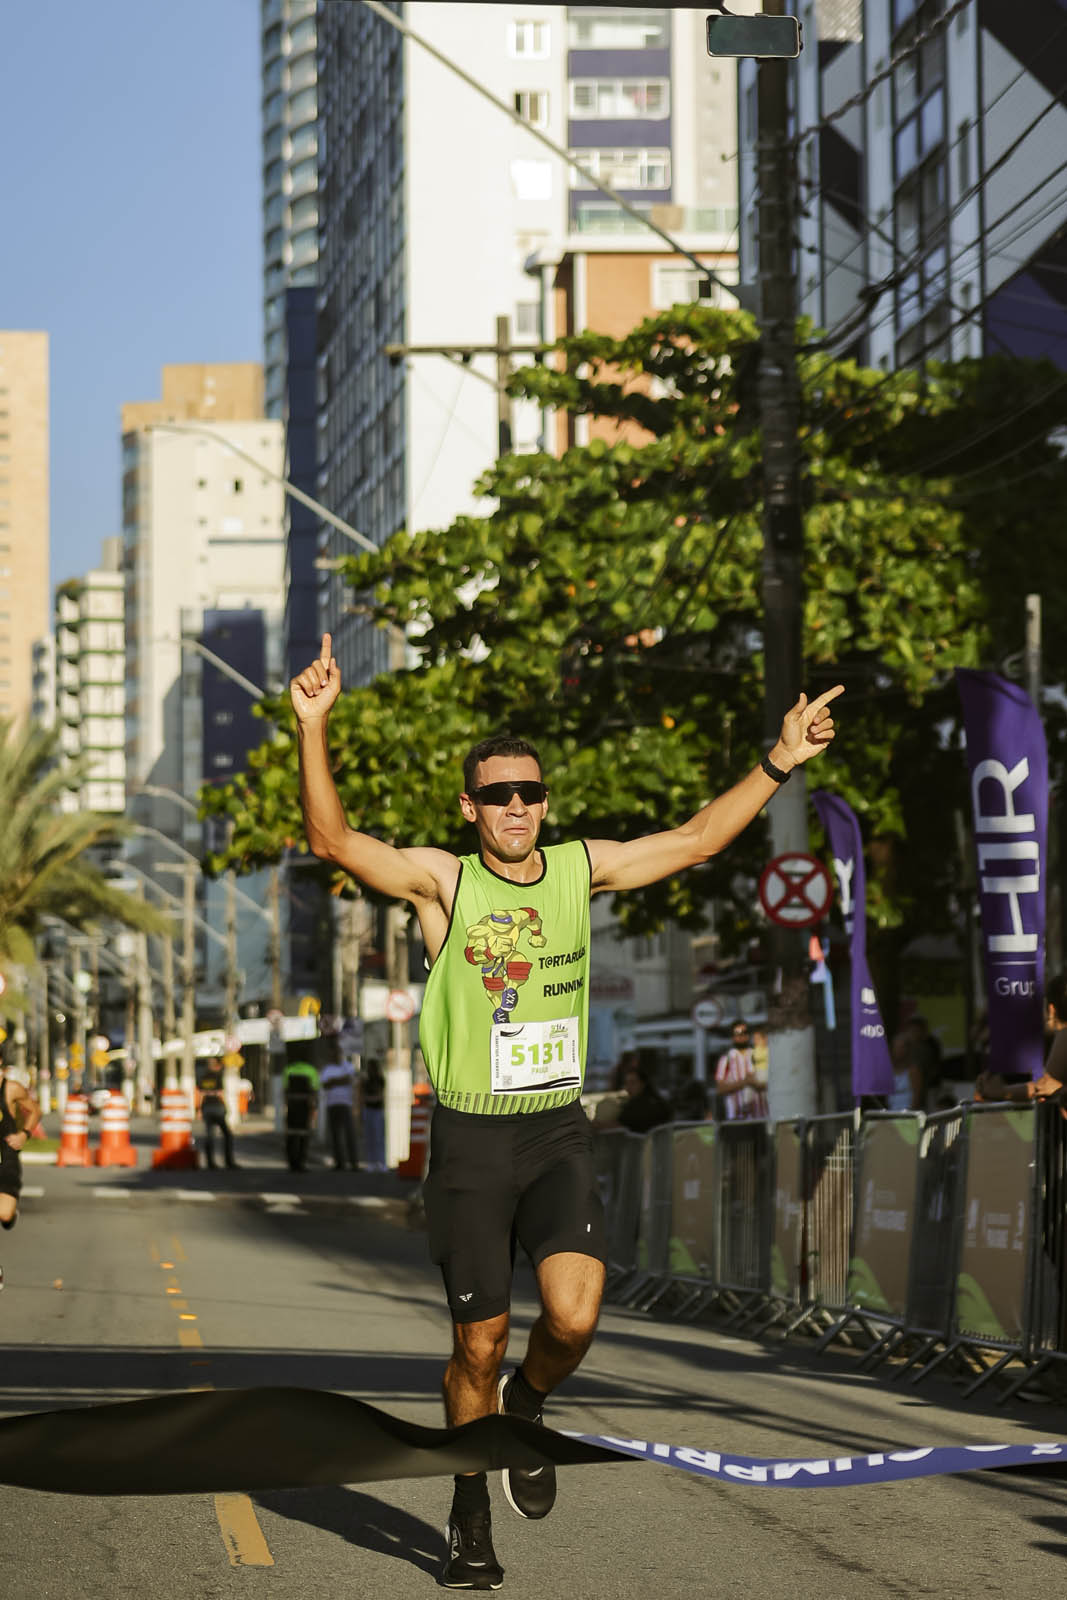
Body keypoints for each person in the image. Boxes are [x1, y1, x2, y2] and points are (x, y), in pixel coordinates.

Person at [292, 629, 842, 1589]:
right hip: (470, 1137)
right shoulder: (444, 883)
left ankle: (527, 1405)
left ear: (545, 803)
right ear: (469, 808)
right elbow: (332, 843)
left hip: (553, 1129)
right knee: (476, 1343)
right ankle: (468, 1513)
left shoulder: (580, 869)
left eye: (530, 791)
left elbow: (696, 839)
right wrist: (313, 726)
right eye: (498, 793)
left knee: (573, 1320)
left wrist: (777, 761)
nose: (516, 806)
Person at [0, 1063, 41, 1289]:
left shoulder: (10, 1089)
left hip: (5, 1159)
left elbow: (35, 1110)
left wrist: (24, 1135)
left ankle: (10, 1215)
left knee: (4, 1214)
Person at [714, 1019, 768, 1120]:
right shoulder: (726, 1058)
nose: (741, 1035)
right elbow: (720, 1088)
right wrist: (745, 1082)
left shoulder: (759, 1054)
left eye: (745, 1032)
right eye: (737, 1032)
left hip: (761, 1116)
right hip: (737, 1117)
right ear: (732, 1036)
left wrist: (759, 1084)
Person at [320, 1037, 358, 1170]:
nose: (336, 1055)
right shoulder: (328, 1068)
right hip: (332, 1104)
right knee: (335, 1134)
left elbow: (349, 1080)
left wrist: (333, 1081)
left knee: (349, 1134)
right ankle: (340, 1162)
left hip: (346, 1104)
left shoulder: (348, 1066)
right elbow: (325, 1084)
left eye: (338, 1052)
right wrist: (339, 1080)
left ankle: (353, 1162)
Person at [283, 1054, 320, 1171]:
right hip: (305, 1107)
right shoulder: (311, 1070)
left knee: (291, 1134)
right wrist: (314, 1109)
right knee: (304, 1135)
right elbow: (314, 1090)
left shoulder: (288, 1069)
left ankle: (292, 1163)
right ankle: (301, 1162)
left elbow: (285, 1090)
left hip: (292, 1107)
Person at [199, 1059, 236, 1170]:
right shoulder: (217, 1077)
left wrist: (199, 1110)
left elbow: (200, 1095)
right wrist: (226, 1107)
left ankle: (210, 1163)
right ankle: (229, 1162)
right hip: (217, 1108)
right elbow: (220, 1094)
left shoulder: (203, 1078)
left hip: (206, 1108)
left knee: (209, 1136)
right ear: (214, 1066)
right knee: (227, 1135)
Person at [616, 1060, 671, 1134]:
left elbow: (621, 1125)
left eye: (632, 1083)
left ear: (643, 1084)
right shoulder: (657, 1101)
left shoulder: (640, 1106)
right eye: (626, 1083)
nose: (628, 1087)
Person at [359, 1057, 386, 1172]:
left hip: (377, 1110)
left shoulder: (380, 1080)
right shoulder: (366, 1081)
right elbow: (362, 1096)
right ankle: (371, 1162)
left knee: (378, 1138)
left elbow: (379, 1096)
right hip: (368, 1110)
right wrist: (369, 1099)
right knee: (369, 1138)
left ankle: (381, 1162)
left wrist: (369, 1098)